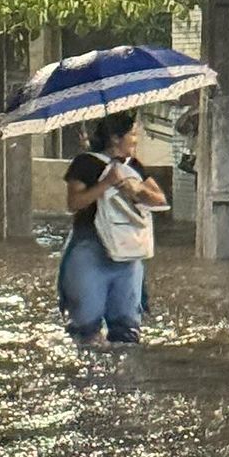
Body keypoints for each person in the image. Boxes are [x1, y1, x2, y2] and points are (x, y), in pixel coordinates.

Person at [58, 111, 167, 344]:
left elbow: (159, 200)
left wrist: (136, 190)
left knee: (127, 329)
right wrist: (106, 183)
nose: (136, 141)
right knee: (86, 328)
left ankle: (123, 377)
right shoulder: (84, 163)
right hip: (90, 251)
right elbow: (74, 203)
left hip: (128, 253)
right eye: (133, 135)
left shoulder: (134, 166)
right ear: (116, 138)